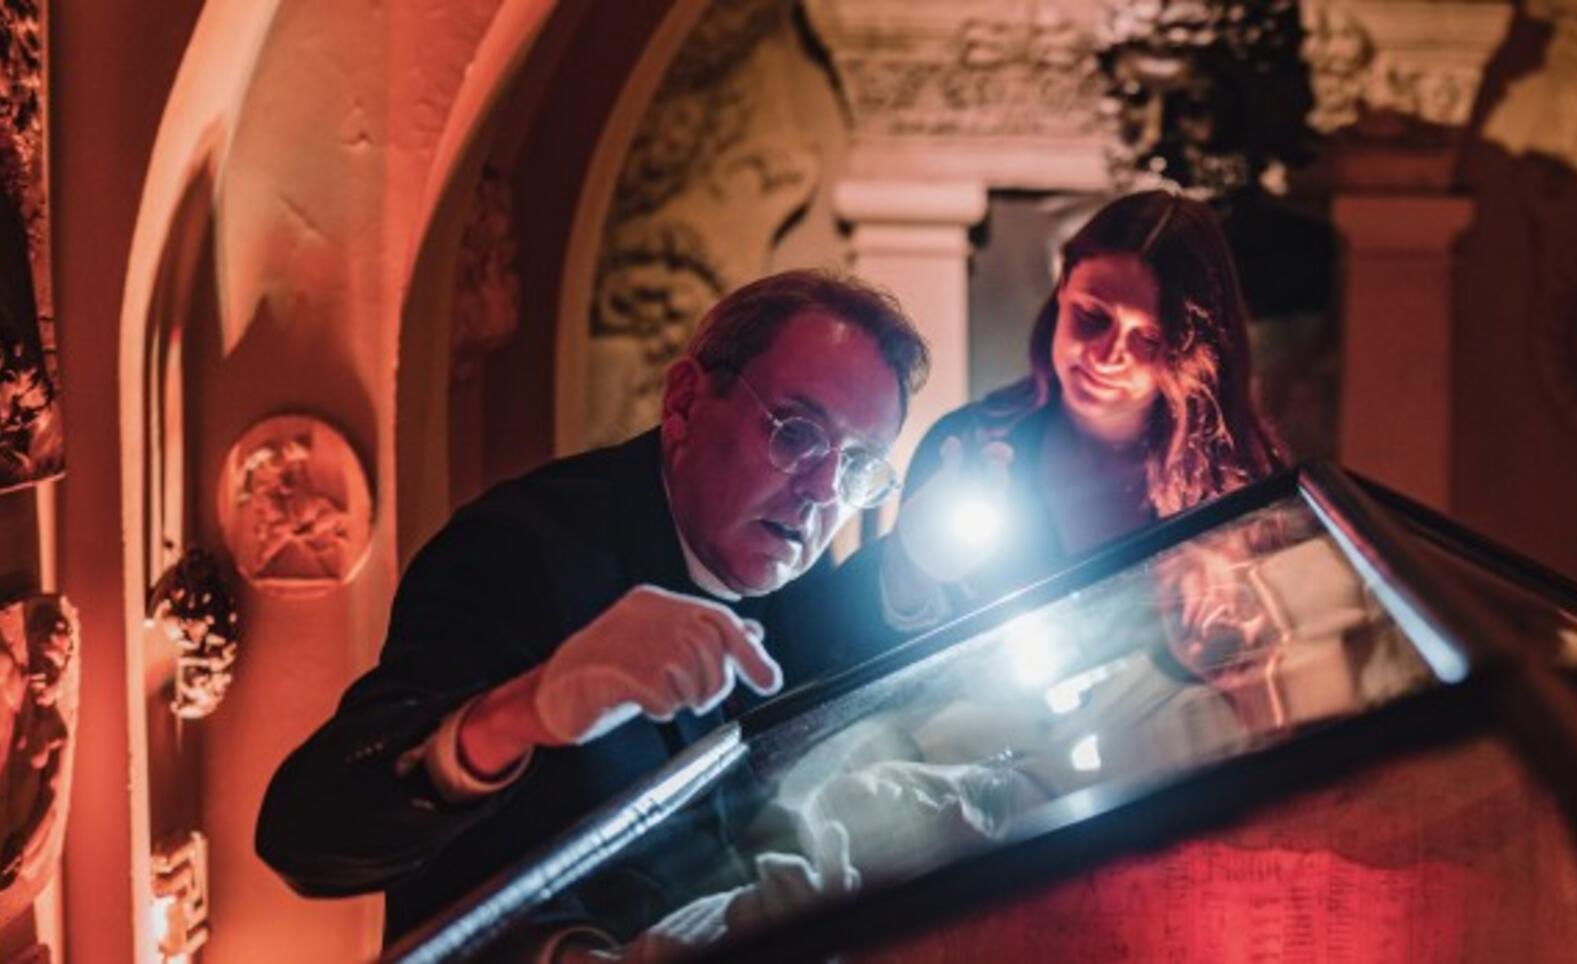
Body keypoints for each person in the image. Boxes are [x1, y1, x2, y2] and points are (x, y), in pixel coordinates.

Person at [255, 269, 928, 942]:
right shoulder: (515, 551)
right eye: (798, 431)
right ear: (687, 401)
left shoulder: (791, 571)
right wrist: (523, 711)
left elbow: (845, 662)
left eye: (856, 467)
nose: (821, 491)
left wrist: (916, 568)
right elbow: (304, 836)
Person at [818, 190, 1289, 648]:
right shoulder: (968, 447)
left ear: (1188, 356)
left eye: (1147, 340)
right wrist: (910, 570)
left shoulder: (1234, 488)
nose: (1107, 356)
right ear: (1062, 288)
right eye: (1092, 316)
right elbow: (884, 653)